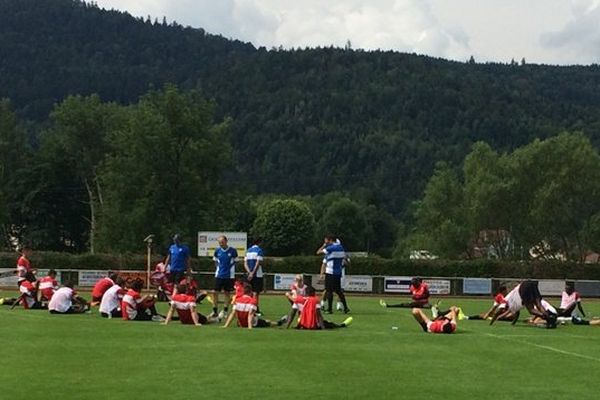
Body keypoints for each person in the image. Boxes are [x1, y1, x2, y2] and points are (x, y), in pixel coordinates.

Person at [490, 280, 556, 327]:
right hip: (530, 283)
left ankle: (548, 318)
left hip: (523, 287)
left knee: (531, 310)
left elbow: (498, 311)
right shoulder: (514, 306)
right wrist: (513, 324)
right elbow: (517, 314)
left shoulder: (506, 301)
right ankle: (550, 319)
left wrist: (492, 322)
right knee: (539, 305)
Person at [317, 235, 350, 314]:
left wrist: (324, 245)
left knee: (329, 291)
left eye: (326, 240)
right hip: (338, 272)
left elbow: (318, 252)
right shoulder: (341, 248)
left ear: (330, 240)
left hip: (330, 272)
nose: (325, 241)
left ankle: (330, 309)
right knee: (339, 291)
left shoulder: (331, 248)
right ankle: (345, 307)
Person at [211, 235, 238, 320]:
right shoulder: (217, 251)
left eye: (222, 242)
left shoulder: (232, 251)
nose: (221, 244)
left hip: (229, 276)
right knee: (215, 292)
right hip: (219, 275)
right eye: (219, 243)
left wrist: (230, 268)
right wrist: (219, 268)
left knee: (227, 293)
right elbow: (215, 260)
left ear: (226, 241)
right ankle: (215, 311)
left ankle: (225, 311)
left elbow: (236, 261)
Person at [244, 238, 264, 314]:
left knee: (249, 292)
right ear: (259, 243)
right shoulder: (259, 250)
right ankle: (255, 309)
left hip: (248, 274)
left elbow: (245, 263)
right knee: (256, 292)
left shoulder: (248, 250)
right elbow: (258, 263)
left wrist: (249, 272)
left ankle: (248, 308)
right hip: (257, 275)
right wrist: (253, 273)